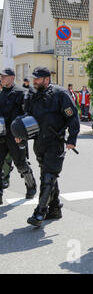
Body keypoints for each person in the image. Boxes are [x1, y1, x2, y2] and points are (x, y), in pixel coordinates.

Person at [15, 67, 80, 227]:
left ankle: (40, 212)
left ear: (47, 79)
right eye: (34, 79)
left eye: (38, 79)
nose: (34, 82)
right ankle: (55, 208)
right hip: (39, 141)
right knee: (47, 174)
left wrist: (72, 138)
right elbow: (27, 116)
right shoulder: (32, 93)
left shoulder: (60, 94)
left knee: (49, 176)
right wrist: (20, 134)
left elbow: (72, 117)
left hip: (55, 141)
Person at [0, 68, 37, 205]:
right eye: (1, 77)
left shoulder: (22, 93)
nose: (2, 79)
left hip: (16, 136)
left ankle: (31, 186)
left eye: (4, 77)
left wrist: (22, 134)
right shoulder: (1, 94)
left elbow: (27, 114)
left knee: (21, 163)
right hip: (2, 135)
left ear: (12, 77)